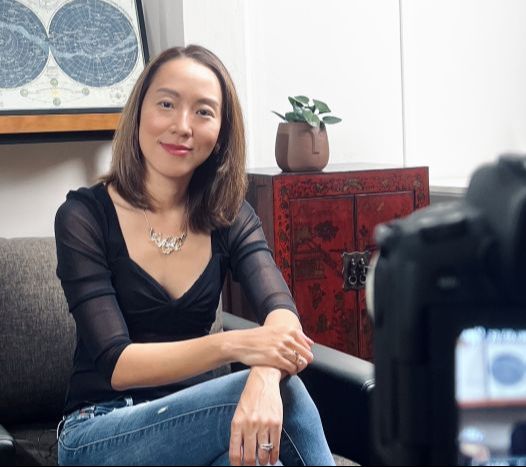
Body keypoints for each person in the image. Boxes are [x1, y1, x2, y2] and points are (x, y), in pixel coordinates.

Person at [54, 44, 334, 466]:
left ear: (221, 132)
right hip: (100, 433)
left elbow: (282, 314)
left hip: (201, 429)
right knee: (289, 394)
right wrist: (237, 346)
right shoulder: (84, 216)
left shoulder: (229, 215)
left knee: (263, 459)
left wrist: (264, 373)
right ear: (139, 113)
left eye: (203, 112)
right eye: (166, 104)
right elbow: (117, 364)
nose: (182, 126)